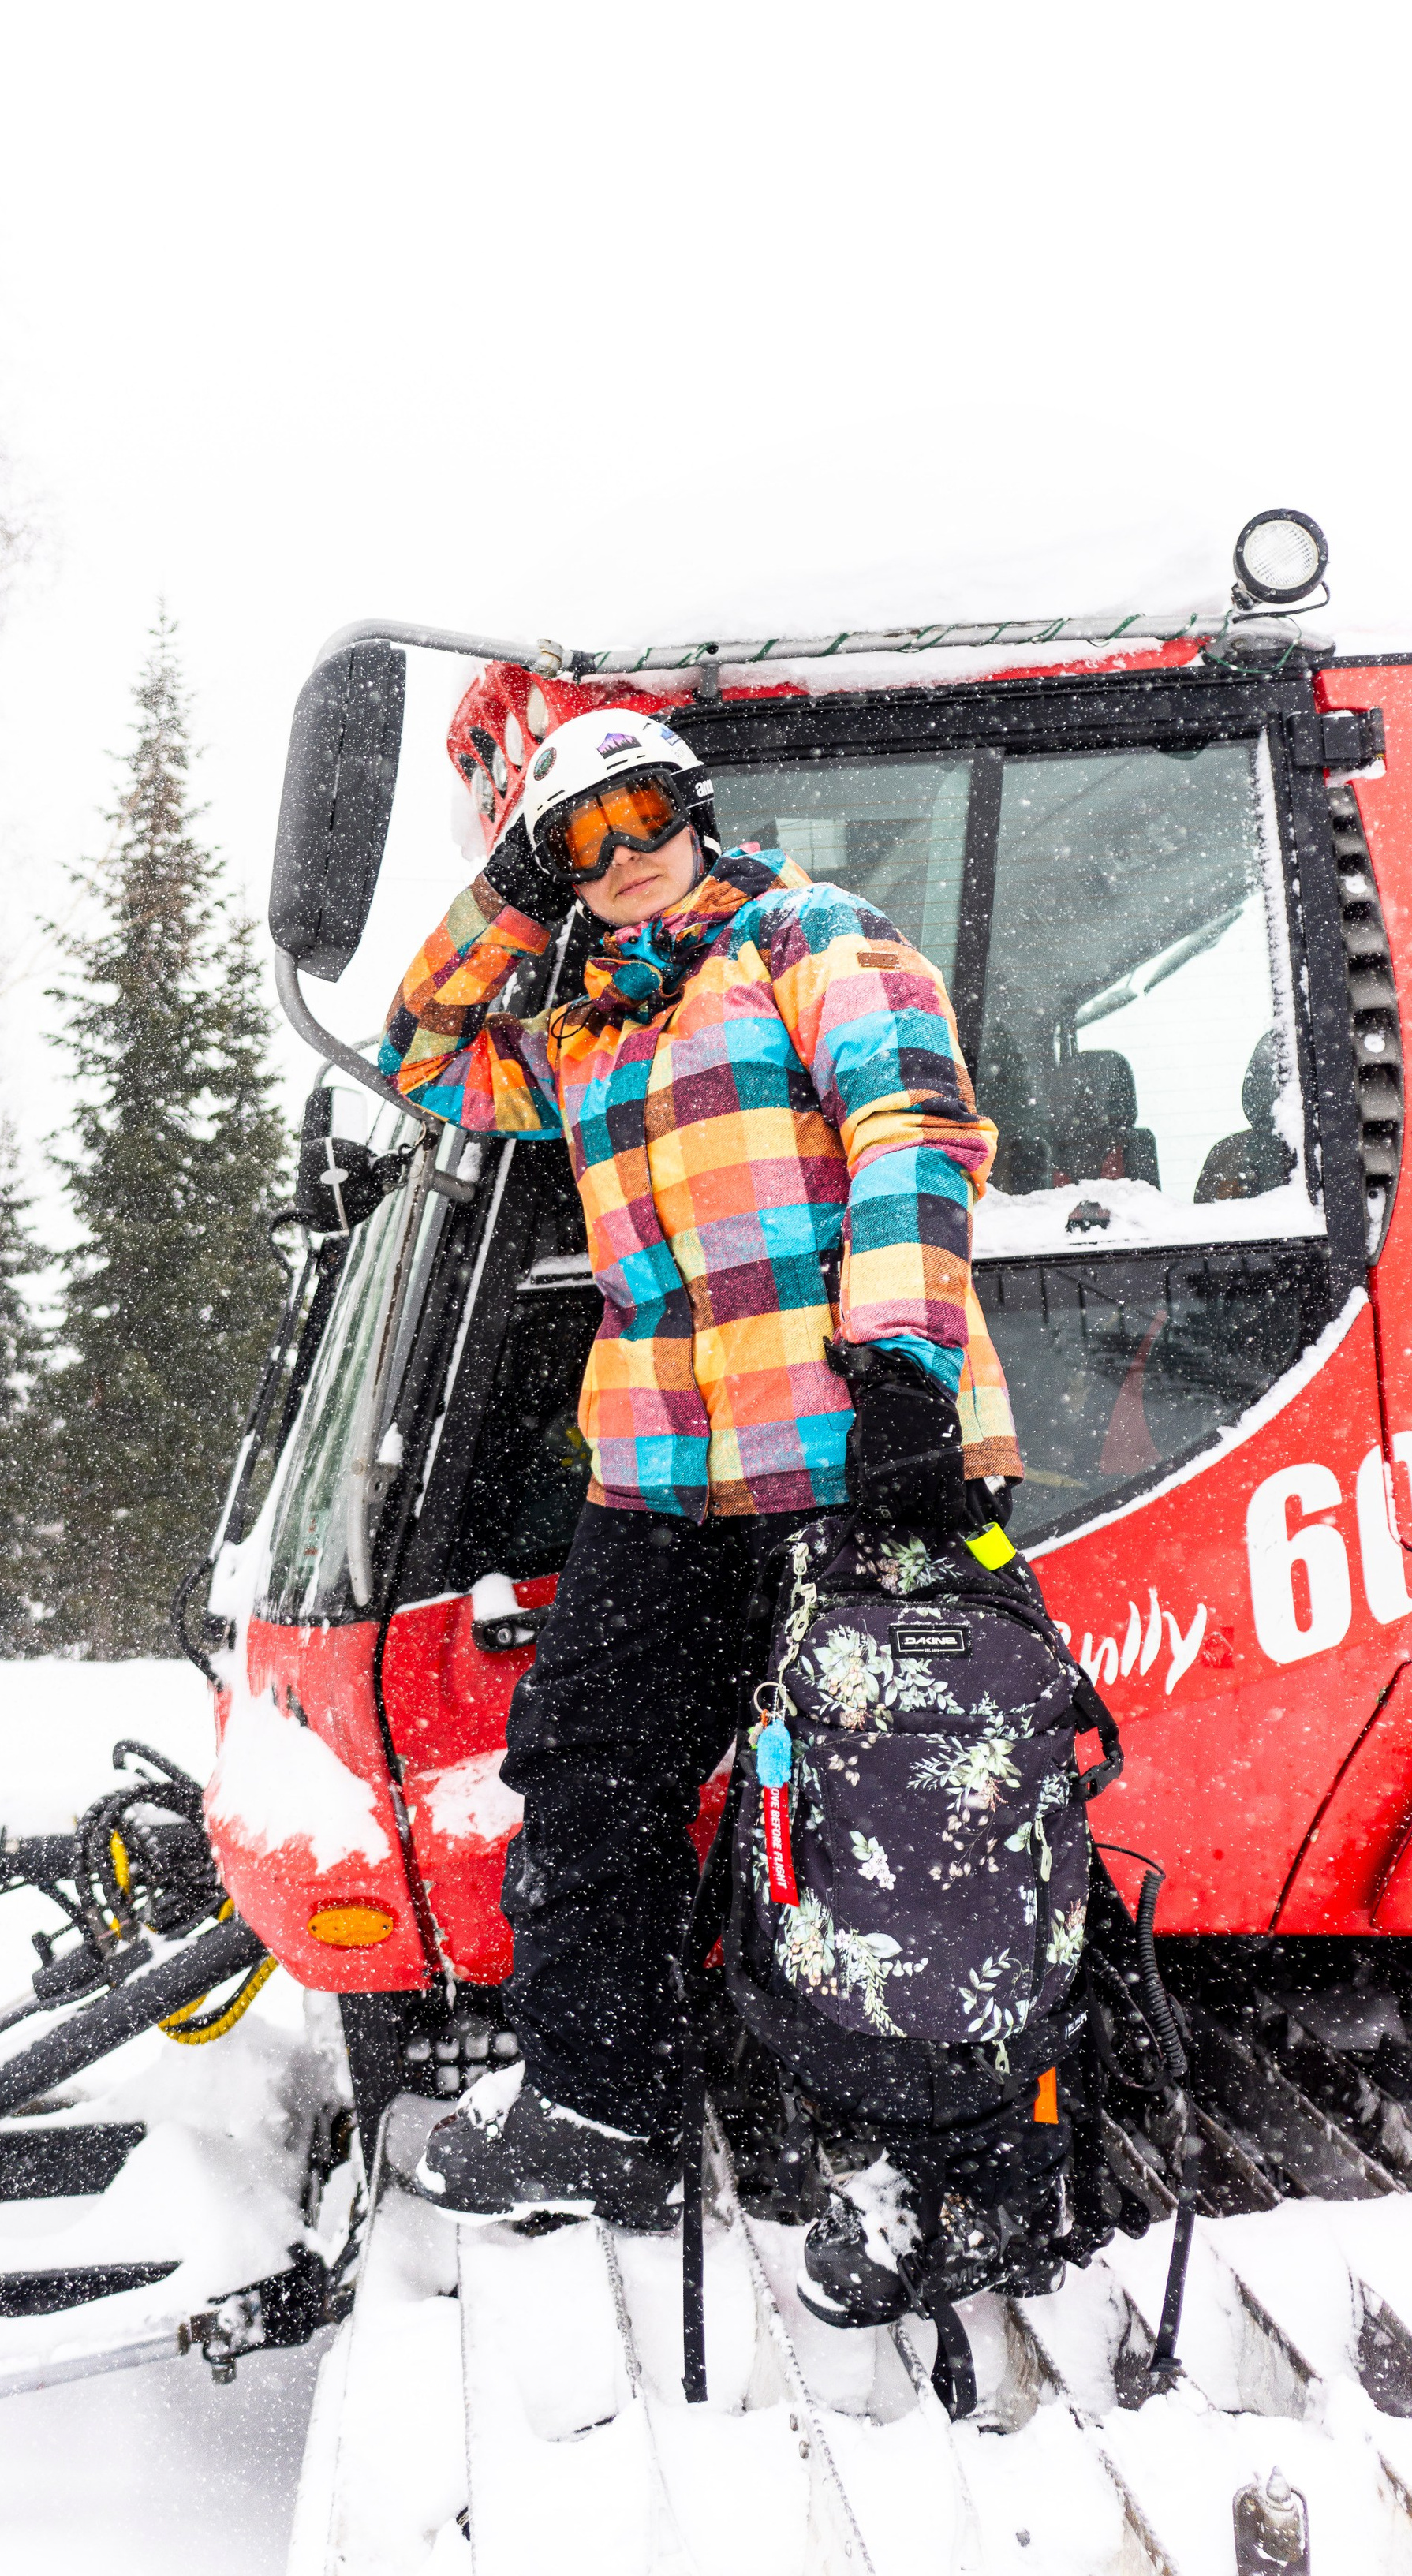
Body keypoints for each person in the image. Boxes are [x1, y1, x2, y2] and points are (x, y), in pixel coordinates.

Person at [377, 704, 1022, 2227]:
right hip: (664, 1473)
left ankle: (951, 2165)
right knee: (588, 1767)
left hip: (856, 1447)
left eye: (644, 814)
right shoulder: (581, 1035)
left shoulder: (809, 937)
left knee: (906, 1784)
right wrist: (503, 902)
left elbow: (915, 1128)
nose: (623, 855)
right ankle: (600, 2106)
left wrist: (904, 1365)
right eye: (578, 841)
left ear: (698, 808)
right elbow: (419, 1056)